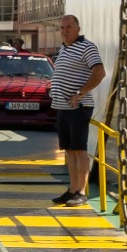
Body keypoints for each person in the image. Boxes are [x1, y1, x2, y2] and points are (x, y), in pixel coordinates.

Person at [51, 14, 105, 208]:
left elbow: (99, 72)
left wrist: (80, 93)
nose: (64, 31)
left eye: (68, 27)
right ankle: (72, 189)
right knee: (69, 150)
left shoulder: (87, 47)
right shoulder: (64, 48)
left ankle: (81, 191)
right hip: (63, 107)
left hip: (78, 107)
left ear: (78, 28)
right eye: (62, 28)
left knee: (80, 149)